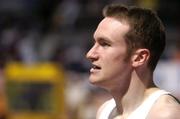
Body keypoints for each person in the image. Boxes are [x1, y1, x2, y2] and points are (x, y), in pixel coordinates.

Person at [86, 3, 180, 119]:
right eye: (94, 43)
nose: (90, 54)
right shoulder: (105, 111)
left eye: (105, 44)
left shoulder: (165, 114)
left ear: (140, 57)